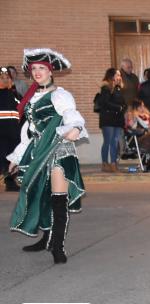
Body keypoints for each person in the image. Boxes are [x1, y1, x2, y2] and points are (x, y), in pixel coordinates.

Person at [7, 48, 87, 264]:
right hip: (37, 150)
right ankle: (46, 238)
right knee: (42, 196)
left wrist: (76, 128)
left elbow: (72, 116)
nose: (37, 72)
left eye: (42, 68)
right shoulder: (32, 98)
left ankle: (57, 246)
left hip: (58, 150)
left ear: (51, 71)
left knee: (58, 200)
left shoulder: (60, 95)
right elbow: (29, 132)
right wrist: (16, 157)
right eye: (34, 69)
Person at [98, 68, 126, 173]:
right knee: (108, 141)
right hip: (108, 118)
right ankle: (105, 164)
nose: (119, 77)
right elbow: (105, 103)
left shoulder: (119, 89)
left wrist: (123, 107)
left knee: (115, 141)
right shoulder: (106, 88)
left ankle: (113, 163)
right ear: (111, 76)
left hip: (118, 119)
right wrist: (118, 108)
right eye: (117, 75)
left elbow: (123, 103)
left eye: (120, 75)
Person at [0, 66, 21, 191]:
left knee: (11, 156)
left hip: (13, 132)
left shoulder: (15, 94)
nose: (5, 80)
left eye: (7, 78)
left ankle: (10, 182)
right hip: (0, 133)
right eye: (2, 78)